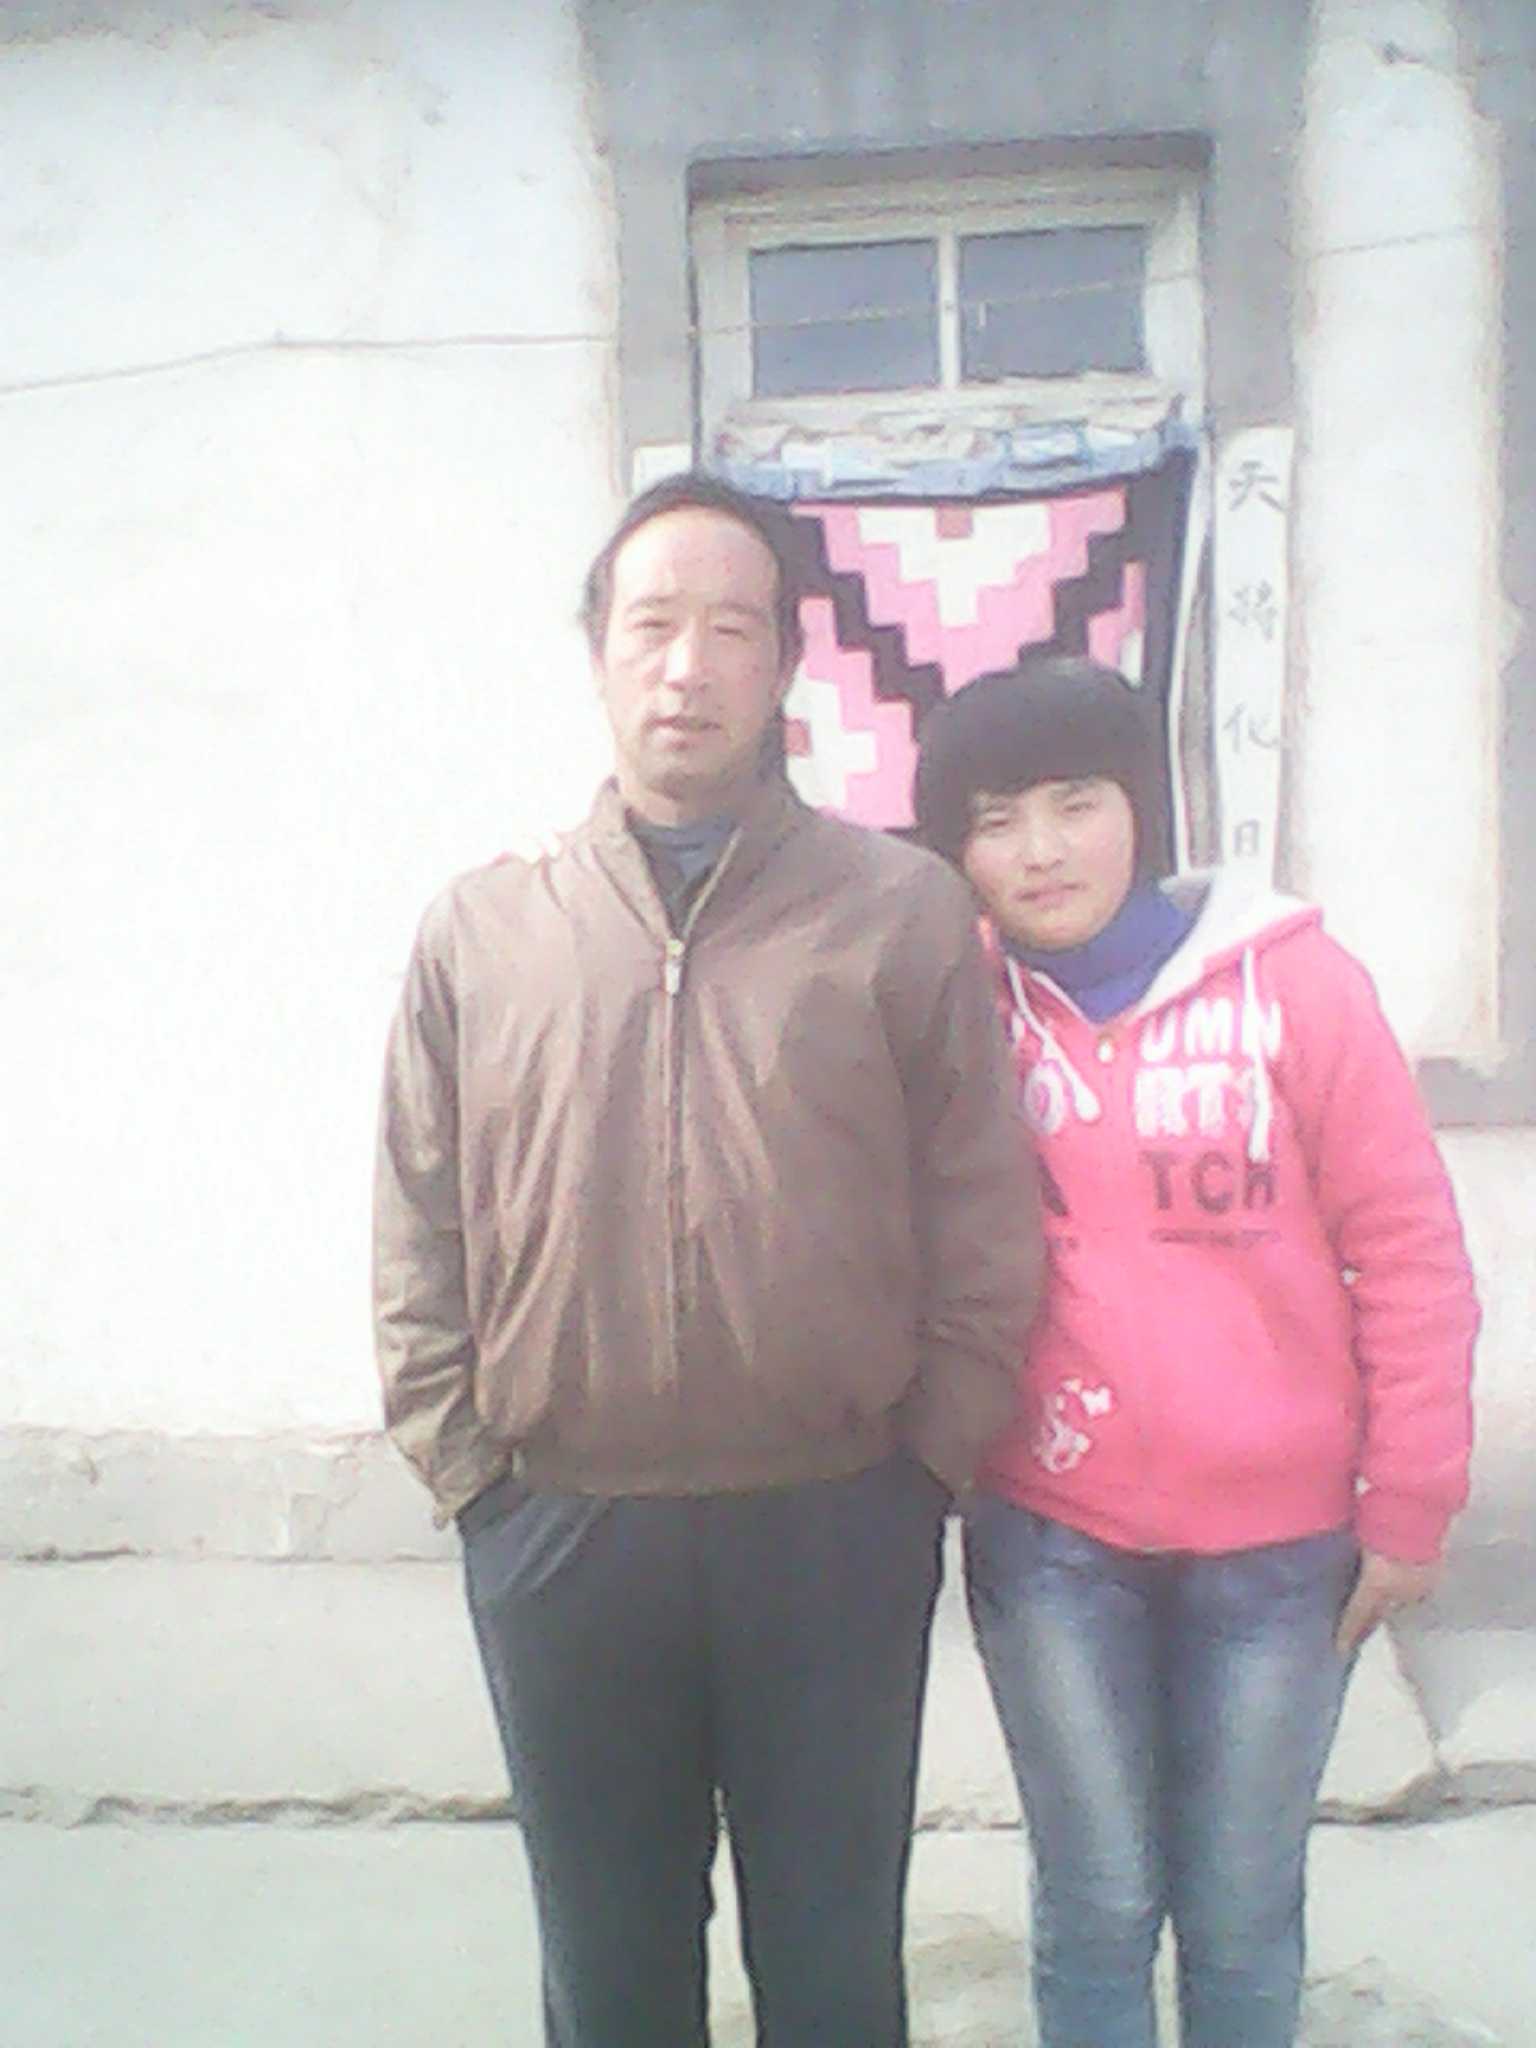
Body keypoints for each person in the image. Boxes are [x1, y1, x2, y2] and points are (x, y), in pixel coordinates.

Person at [373, 473, 1041, 2048]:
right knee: (611, 1973)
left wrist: (926, 1462)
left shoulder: (900, 911)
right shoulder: (486, 932)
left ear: (787, 664)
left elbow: (982, 1201)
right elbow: (419, 1214)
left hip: (836, 1520)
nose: (689, 667)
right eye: (653, 626)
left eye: (732, 630)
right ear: (598, 653)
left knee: (833, 1967)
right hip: (564, 1532)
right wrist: (471, 1472)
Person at [912, 653, 1479, 2048]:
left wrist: (1410, 1501)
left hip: (1281, 1561)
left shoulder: (1297, 987)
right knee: (1098, 1903)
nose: (1041, 850)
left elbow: (1408, 1249)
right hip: (1052, 1542)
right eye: (995, 820)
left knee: (1239, 1912)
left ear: (1143, 808)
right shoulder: (954, 1012)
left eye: (1076, 801)